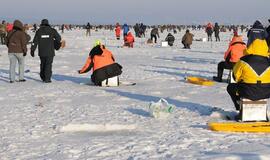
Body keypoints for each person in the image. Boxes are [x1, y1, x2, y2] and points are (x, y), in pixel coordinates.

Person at [227, 20, 270, 112]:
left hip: (247, 91)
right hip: (266, 91)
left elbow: (235, 77)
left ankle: (238, 105)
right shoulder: (268, 60)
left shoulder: (243, 60)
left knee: (230, 87)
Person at [30, 19, 61, 83]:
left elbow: (34, 41)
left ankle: (43, 77)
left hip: (42, 52)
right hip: (50, 52)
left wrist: (32, 50)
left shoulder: (39, 31)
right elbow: (59, 38)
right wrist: (55, 42)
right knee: (48, 65)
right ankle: (47, 78)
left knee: (43, 64)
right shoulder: (52, 30)